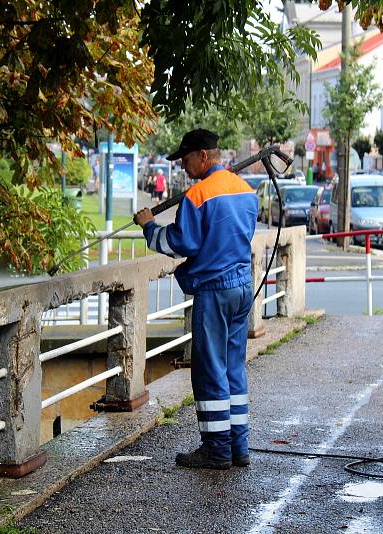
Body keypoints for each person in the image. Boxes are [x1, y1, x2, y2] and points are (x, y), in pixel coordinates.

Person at [133, 128, 258, 470]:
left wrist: (149, 226)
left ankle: (216, 449)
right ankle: (238, 445)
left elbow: (180, 243)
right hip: (241, 287)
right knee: (233, 368)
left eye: (186, 160)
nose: (184, 167)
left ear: (203, 156)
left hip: (214, 290)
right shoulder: (246, 191)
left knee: (209, 370)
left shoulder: (198, 194)